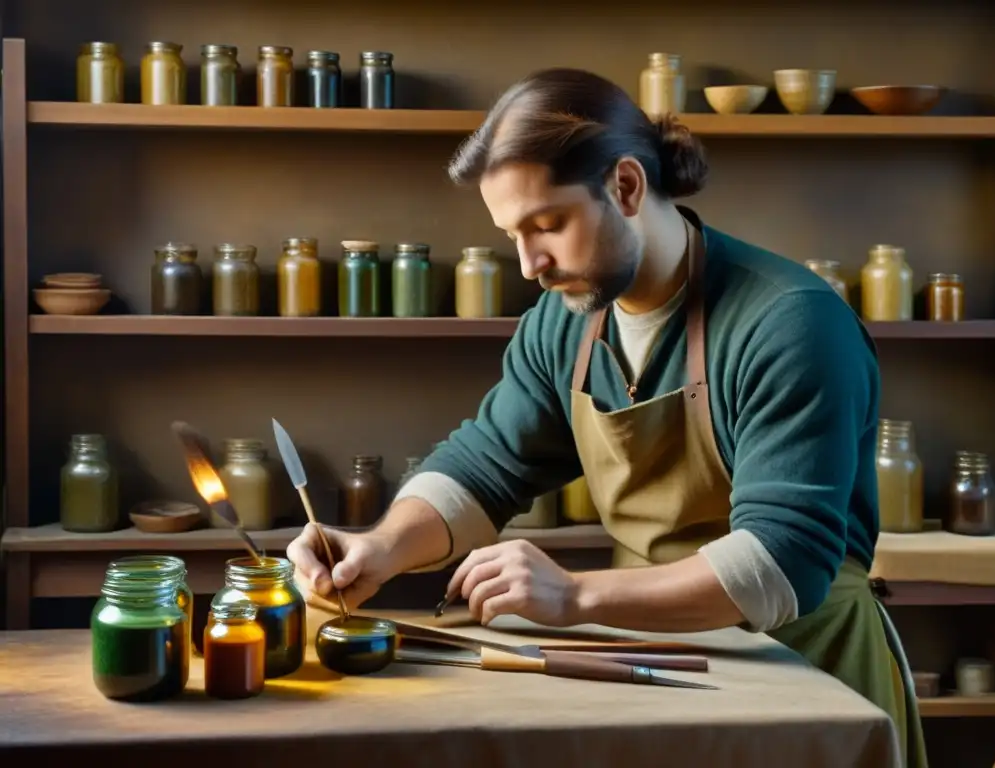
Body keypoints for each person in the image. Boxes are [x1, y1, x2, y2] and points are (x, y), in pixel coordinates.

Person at [287, 67, 926, 767]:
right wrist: (382, 547)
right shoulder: (563, 324)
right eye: (512, 235)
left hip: (807, 680)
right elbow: (486, 465)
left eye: (547, 225)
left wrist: (576, 594)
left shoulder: (790, 323)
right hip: (652, 669)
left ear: (625, 186)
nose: (529, 264)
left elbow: (782, 563)